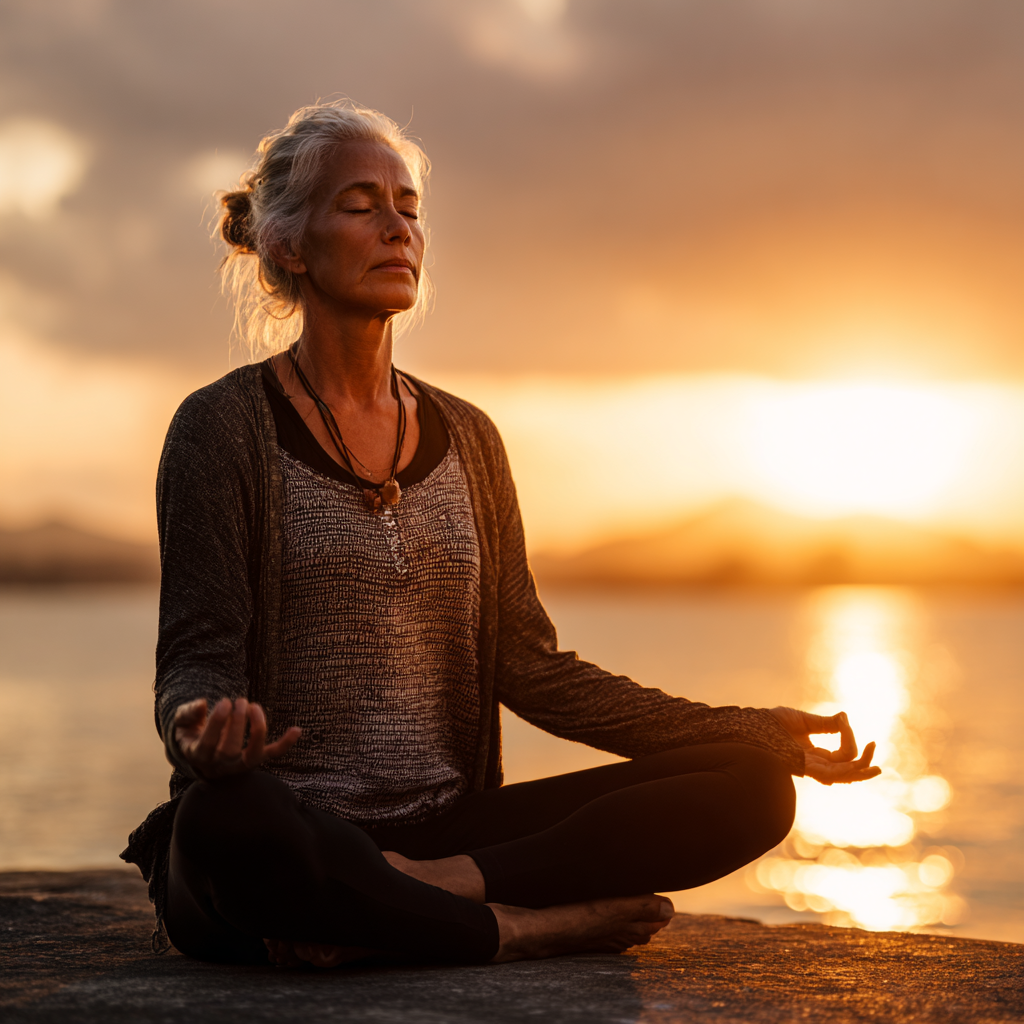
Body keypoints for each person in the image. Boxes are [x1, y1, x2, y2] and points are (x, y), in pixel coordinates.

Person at [122, 100, 880, 968]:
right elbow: (196, 650)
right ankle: (518, 926)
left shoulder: (470, 439)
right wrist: (200, 728)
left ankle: (427, 896)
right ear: (289, 246)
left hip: (447, 831)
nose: (397, 228)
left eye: (409, 207)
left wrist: (749, 730)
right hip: (293, 823)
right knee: (226, 826)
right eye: (361, 205)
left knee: (752, 788)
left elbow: (534, 668)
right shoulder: (223, 429)